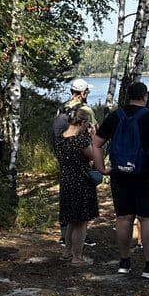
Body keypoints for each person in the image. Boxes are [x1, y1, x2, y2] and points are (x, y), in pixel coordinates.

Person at [92, 81, 149, 279]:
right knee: (147, 218)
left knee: (123, 217)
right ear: (145, 97)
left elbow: (96, 143)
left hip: (120, 173)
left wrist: (102, 168)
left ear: (127, 96)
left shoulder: (116, 116)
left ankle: (124, 262)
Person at [56, 108, 100, 264]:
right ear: (82, 122)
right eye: (87, 123)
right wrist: (93, 137)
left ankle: (67, 252)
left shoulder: (60, 139)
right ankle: (77, 256)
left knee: (71, 221)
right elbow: (94, 156)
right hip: (81, 182)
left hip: (67, 182)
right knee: (81, 222)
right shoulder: (80, 141)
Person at [51, 78, 94, 151]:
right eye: (87, 92)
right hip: (82, 150)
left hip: (62, 151)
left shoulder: (63, 107)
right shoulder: (86, 110)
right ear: (83, 93)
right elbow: (94, 130)